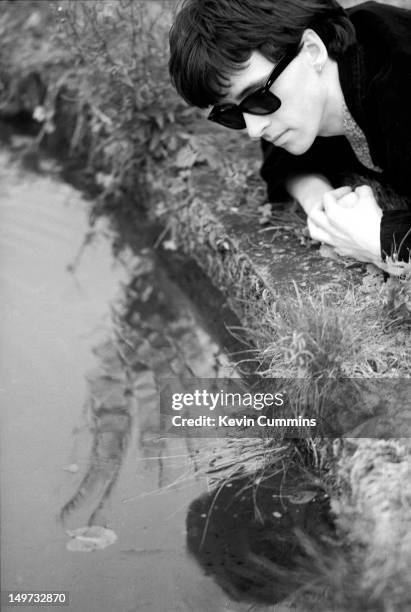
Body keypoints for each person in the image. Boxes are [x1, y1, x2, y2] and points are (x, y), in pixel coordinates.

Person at [169, 0, 411, 273]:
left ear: (313, 50)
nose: (254, 129)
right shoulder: (309, 94)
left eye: (258, 96)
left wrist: (377, 239)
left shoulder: (398, 75)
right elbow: (283, 164)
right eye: (232, 113)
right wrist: (323, 206)